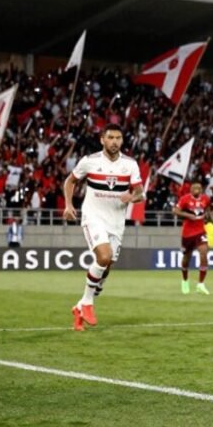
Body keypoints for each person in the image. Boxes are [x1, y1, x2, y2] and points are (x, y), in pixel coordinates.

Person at [63, 124, 144, 331]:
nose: (114, 141)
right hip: (93, 217)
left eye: (118, 138)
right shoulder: (90, 161)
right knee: (104, 256)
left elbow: (140, 193)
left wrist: (132, 196)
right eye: (110, 137)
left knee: (106, 268)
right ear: (102, 140)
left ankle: (79, 307)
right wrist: (68, 204)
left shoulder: (130, 165)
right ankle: (88, 303)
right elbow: (70, 181)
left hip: (116, 223)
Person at [173, 181, 213, 295]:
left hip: (200, 231)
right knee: (186, 258)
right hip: (187, 233)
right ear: (191, 190)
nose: (197, 190)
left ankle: (201, 284)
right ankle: (185, 280)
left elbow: (208, 210)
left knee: (204, 252)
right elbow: (175, 211)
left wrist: (210, 218)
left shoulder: (206, 199)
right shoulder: (185, 199)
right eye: (195, 188)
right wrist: (188, 215)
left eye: (199, 188)